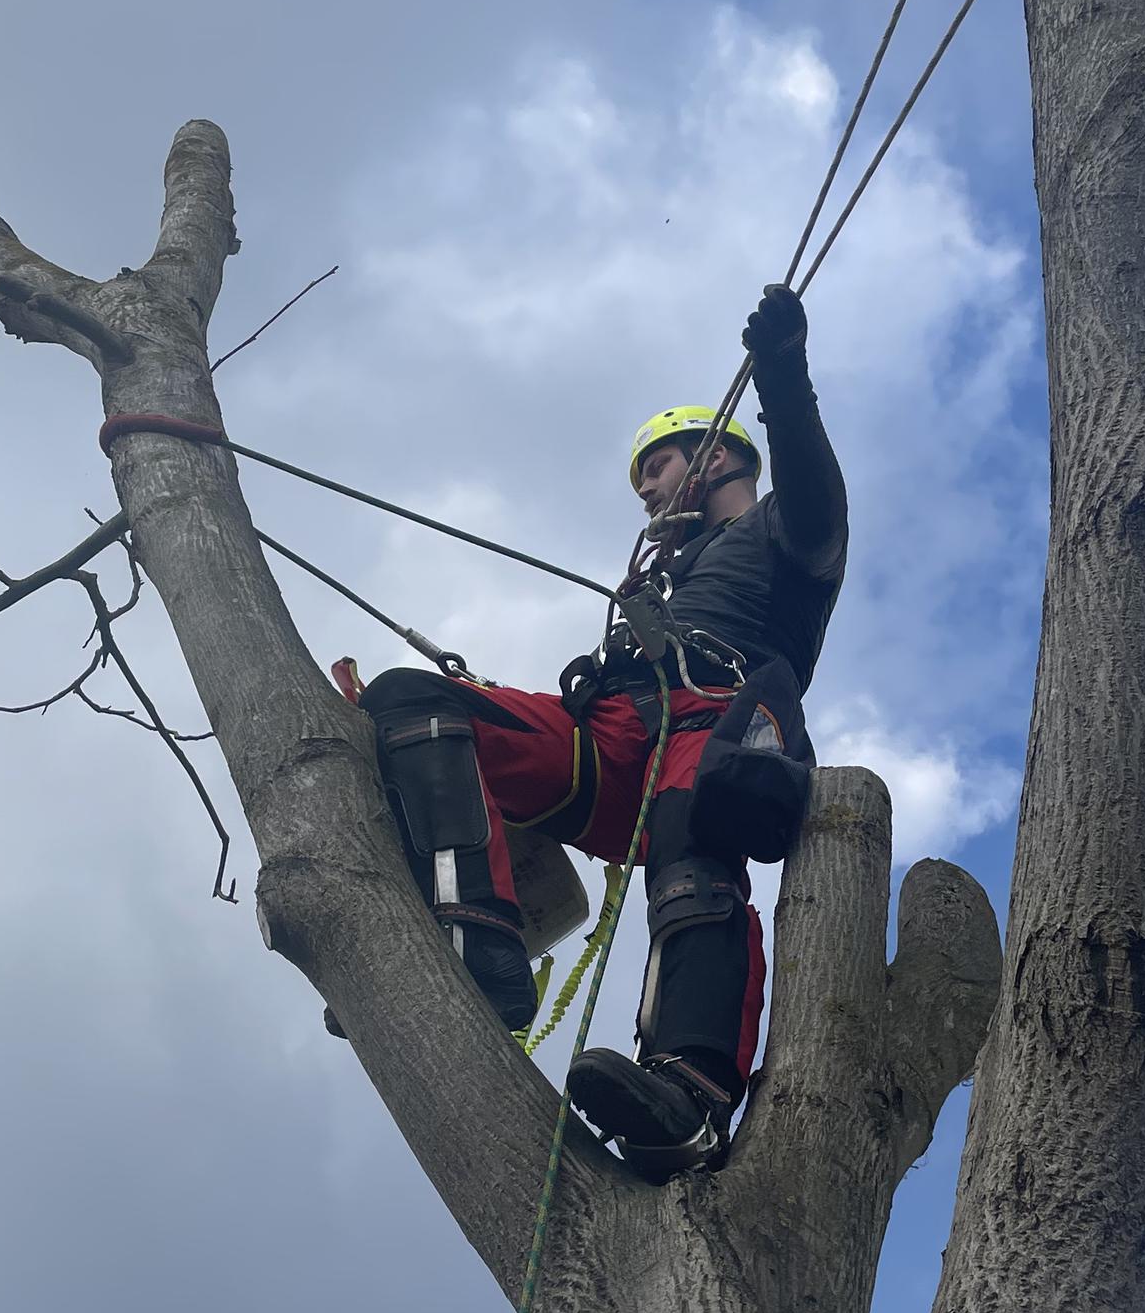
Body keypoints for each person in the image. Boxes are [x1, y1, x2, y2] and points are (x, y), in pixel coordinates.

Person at [345, 283, 845, 1180]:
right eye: (644, 476)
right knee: (418, 701)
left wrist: (783, 377)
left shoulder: (786, 534)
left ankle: (688, 1091)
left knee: (694, 864)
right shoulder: (663, 575)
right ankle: (477, 937)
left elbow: (813, 488)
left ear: (721, 453)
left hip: (709, 724)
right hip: (611, 736)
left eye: (661, 464)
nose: (648, 488)